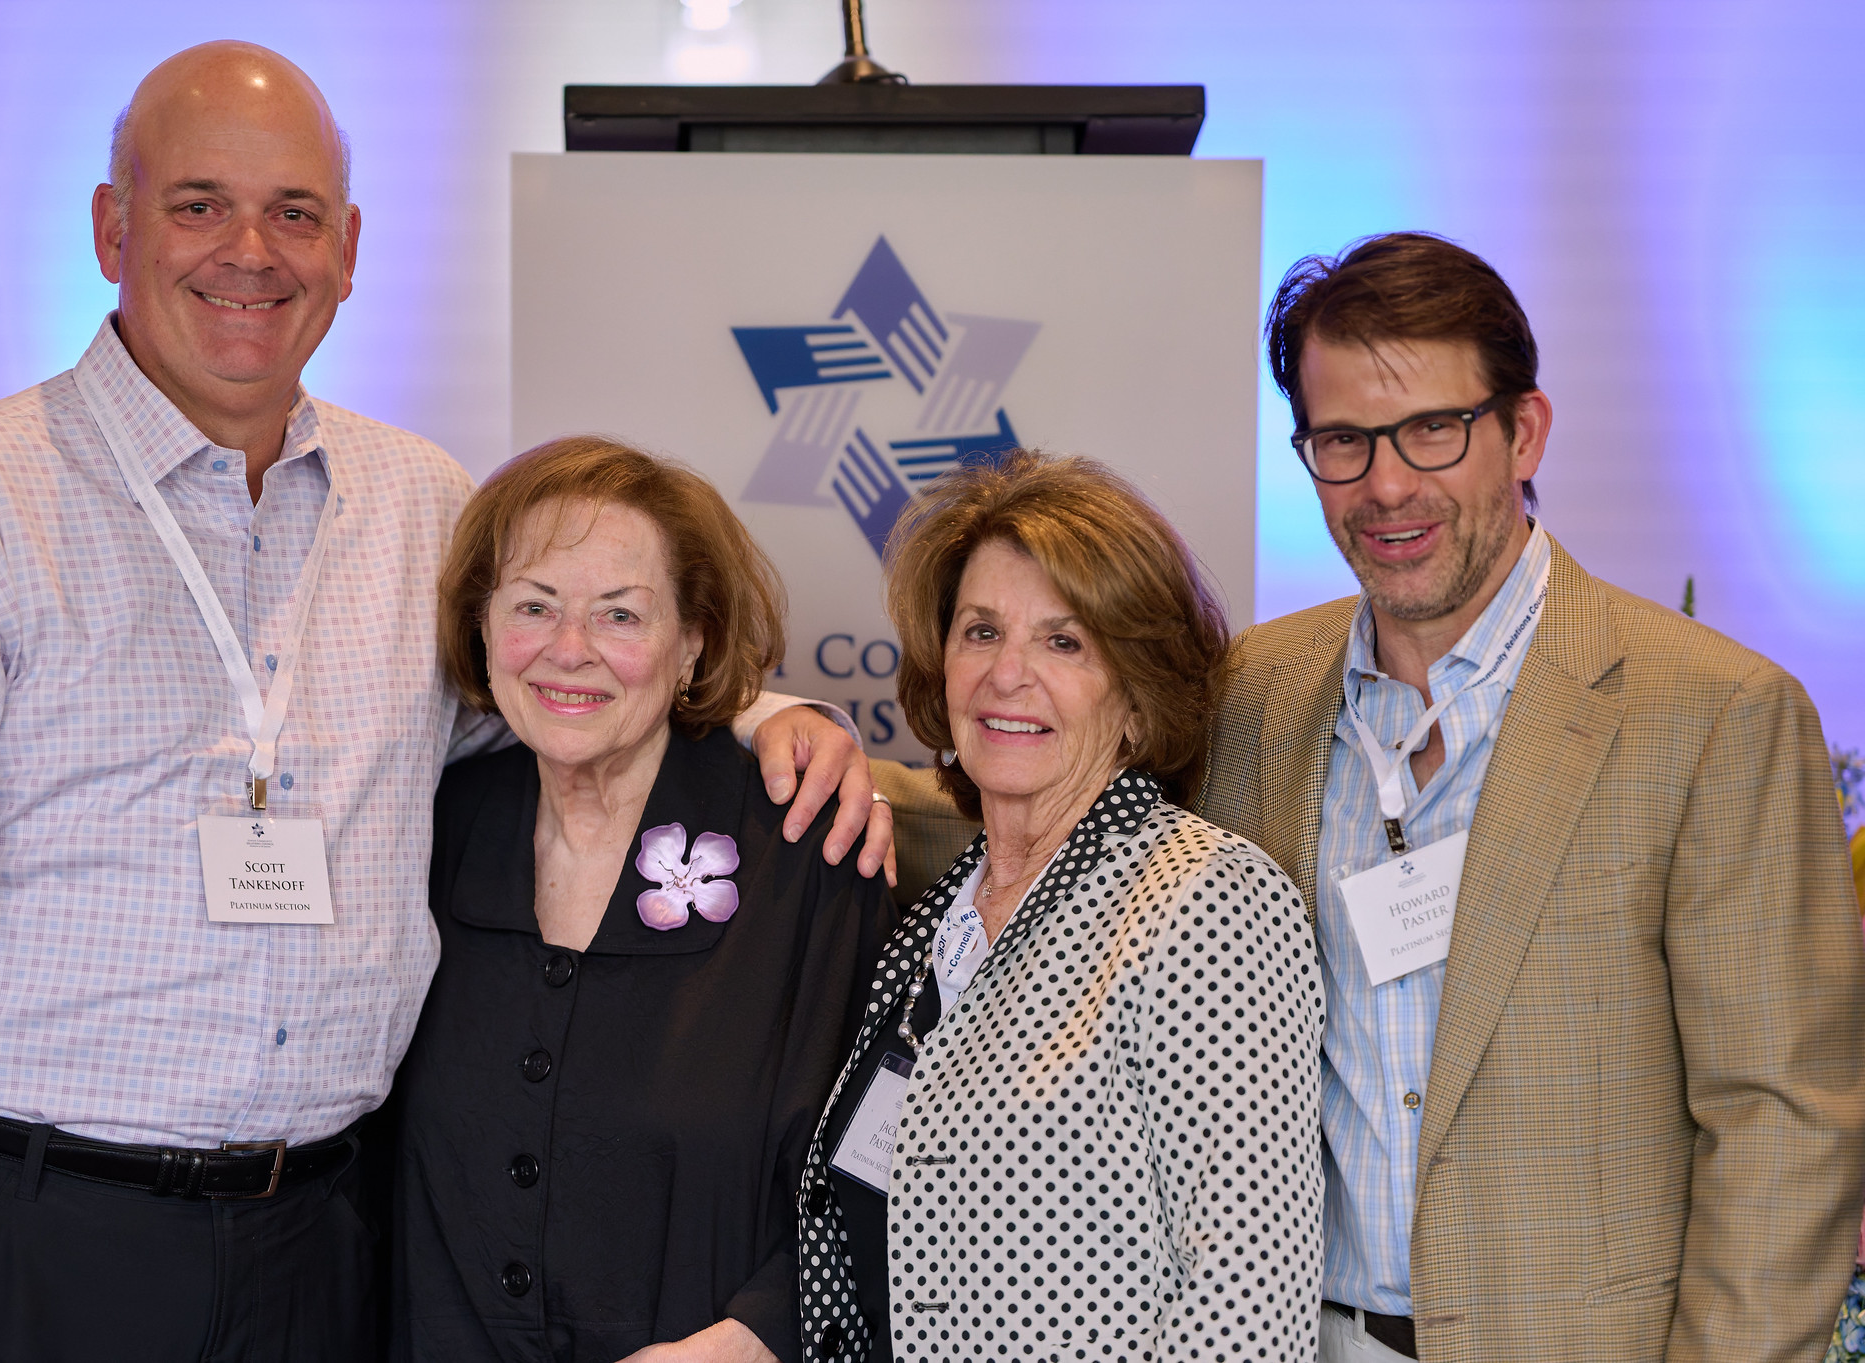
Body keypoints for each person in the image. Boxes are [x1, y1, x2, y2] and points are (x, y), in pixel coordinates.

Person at [0, 43, 885, 1363]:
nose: (249, 251)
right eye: (198, 203)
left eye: (295, 212)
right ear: (110, 228)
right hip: (41, 1241)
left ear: (350, 248)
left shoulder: (420, 504)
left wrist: (768, 712)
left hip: (332, 1249)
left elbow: (555, 684)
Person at [1195, 231, 1865, 1361]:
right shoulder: (1252, 690)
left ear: (1525, 430)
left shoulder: (1716, 715)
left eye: (1433, 429)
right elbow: (1049, 805)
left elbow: (1783, 1126)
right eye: (1344, 441)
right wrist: (843, 765)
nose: (1387, 485)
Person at [797, 452, 1325, 1362]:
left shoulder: (1205, 900)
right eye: (981, 631)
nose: (1008, 675)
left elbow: (1244, 1303)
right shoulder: (930, 925)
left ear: (1138, 695)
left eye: (1064, 642)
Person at [393, 438, 891, 1363]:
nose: (569, 649)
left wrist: (760, 1336)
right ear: (481, 625)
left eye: (619, 614)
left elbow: (894, 1162)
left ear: (691, 642)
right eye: (534, 605)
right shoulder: (426, 831)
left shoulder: (809, 850)